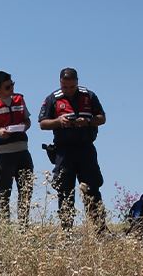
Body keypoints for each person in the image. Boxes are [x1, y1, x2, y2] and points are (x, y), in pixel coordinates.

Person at [37, 67, 107, 232]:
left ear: (77, 82)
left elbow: (102, 118)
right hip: (64, 151)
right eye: (64, 86)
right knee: (64, 191)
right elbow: (42, 123)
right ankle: (66, 230)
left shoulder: (89, 96)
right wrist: (59, 121)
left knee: (92, 189)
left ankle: (100, 229)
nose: (68, 90)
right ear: (60, 83)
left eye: (71, 86)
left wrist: (87, 121)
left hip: (86, 148)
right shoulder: (53, 98)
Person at [0, 70, 33, 222]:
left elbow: (28, 121)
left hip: (23, 151)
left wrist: (24, 126)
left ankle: (24, 225)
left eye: (12, 85)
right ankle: (5, 225)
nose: (12, 89)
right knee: (4, 192)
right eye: (7, 87)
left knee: (26, 190)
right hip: (3, 154)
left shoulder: (19, 99)